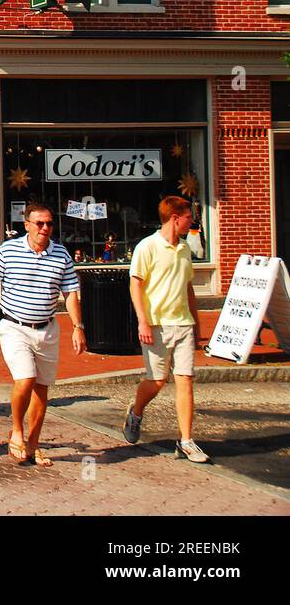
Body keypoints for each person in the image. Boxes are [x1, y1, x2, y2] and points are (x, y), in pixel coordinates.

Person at [0, 202, 85, 467]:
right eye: (40, 223)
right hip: (13, 325)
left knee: (41, 388)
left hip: (47, 328)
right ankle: (17, 431)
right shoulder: (8, 250)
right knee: (26, 379)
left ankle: (33, 445)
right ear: (27, 225)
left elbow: (70, 294)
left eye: (49, 223)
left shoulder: (62, 254)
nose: (45, 228)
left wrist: (78, 327)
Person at [123, 196, 209, 462]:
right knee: (157, 381)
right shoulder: (147, 247)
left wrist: (196, 323)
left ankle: (186, 440)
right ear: (175, 218)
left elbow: (188, 287)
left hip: (182, 322)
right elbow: (136, 284)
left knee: (186, 380)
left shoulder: (184, 249)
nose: (191, 222)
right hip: (157, 324)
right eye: (187, 217)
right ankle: (136, 411)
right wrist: (143, 321)